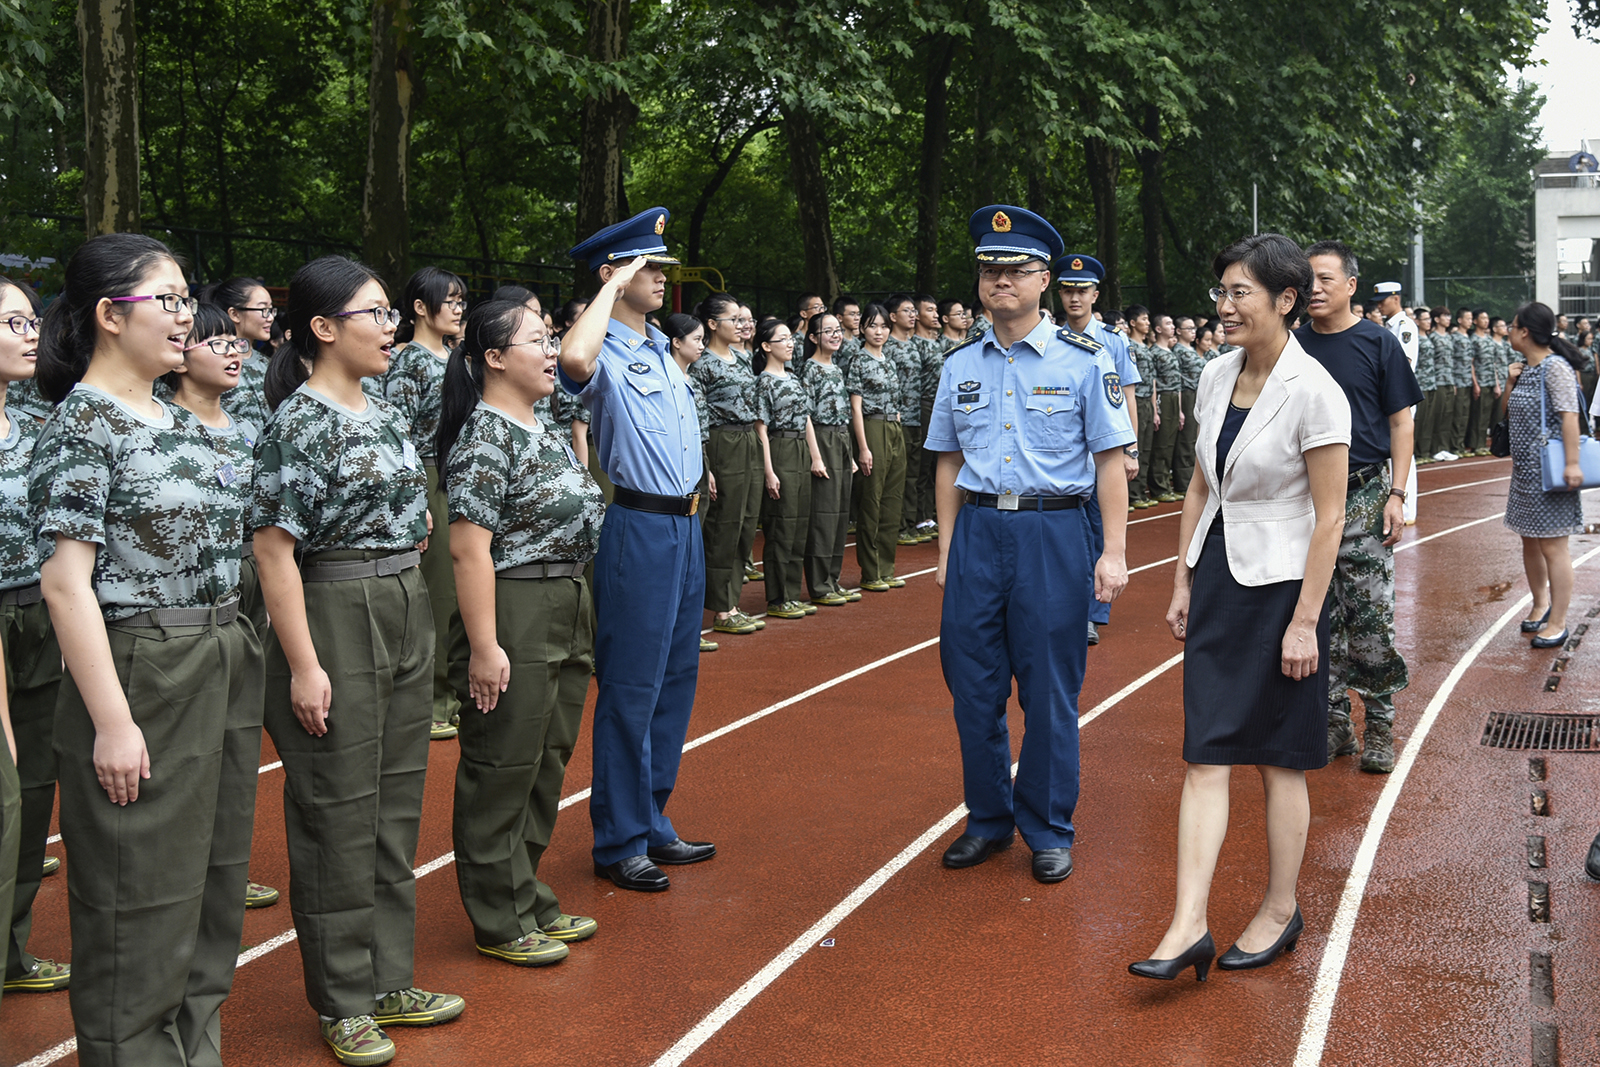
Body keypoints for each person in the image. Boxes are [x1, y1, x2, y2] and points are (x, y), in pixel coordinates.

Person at [32, 232, 265, 1066]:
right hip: (141, 665)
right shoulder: (82, 426)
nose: (184, 316)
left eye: (183, 298)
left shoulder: (179, 417)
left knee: (211, 887)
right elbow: (66, 584)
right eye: (164, 299)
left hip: (219, 655)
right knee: (139, 904)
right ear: (106, 314)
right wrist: (113, 722)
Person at [253, 255, 463, 1065]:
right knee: (336, 808)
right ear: (323, 328)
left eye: (388, 312)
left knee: (393, 803)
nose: (388, 328)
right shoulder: (298, 422)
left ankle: (387, 977)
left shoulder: (379, 409)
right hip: (334, 609)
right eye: (374, 314)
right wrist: (305, 666)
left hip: (403, 600)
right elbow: (274, 553)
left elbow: (411, 517)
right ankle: (343, 996)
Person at [1131, 232, 1350, 983]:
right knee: (1205, 752)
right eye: (1220, 291)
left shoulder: (1316, 389)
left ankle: (1281, 906)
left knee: (1279, 759)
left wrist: (1303, 620)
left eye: (1238, 293)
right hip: (1222, 577)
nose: (1222, 306)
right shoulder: (1215, 374)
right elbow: (1202, 485)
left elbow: (1330, 517)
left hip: (1286, 590)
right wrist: (1184, 578)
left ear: (1285, 300)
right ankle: (1187, 922)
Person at [929, 205, 1132, 885]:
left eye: (1015, 269)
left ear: (1045, 278)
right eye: (990, 268)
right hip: (979, 533)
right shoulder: (959, 363)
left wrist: (1114, 552)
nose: (1000, 280)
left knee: (1048, 689)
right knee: (973, 686)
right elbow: (948, 461)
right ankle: (987, 818)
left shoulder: (1084, 362)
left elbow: (1109, 461)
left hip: (1052, 530)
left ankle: (1046, 824)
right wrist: (948, 551)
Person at [434, 298, 604, 969]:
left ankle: (525, 889)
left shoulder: (542, 425)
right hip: (514, 602)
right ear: (495, 357)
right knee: (503, 762)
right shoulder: (485, 437)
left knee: (547, 756)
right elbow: (469, 550)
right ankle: (497, 914)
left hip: (566, 595)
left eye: (551, 335)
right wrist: (484, 645)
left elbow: (582, 356)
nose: (552, 349)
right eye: (538, 338)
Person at [559, 207, 716, 894]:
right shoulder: (605, 352)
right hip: (640, 528)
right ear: (613, 275)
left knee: (676, 679)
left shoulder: (660, 348)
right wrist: (609, 286)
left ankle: (651, 815)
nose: (660, 275)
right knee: (630, 686)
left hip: (685, 527)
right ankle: (618, 837)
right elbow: (571, 362)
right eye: (645, 266)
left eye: (657, 264)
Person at [165, 301, 285, 916]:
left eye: (235, 343)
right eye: (215, 344)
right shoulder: (160, 430)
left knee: (239, 745)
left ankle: (224, 873)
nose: (234, 352)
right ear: (179, 355)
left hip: (249, 588)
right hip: (188, 607)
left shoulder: (247, 427)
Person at [1299, 241, 1422, 774]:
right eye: (1308, 281)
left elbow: (1401, 422)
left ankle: (1380, 724)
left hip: (1366, 492)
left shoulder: (1378, 343)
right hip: (1304, 501)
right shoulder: (1290, 347)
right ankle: (1333, 725)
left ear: (1351, 285)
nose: (1315, 289)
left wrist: (1397, 494)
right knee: (1314, 617)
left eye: (1326, 279)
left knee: (1369, 617)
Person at [0, 276, 69, 997]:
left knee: (33, 786)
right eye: (12, 321)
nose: (30, 333)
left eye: (31, 319)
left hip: (38, 616)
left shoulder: (33, 423)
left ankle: (12, 950)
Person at [368, 265, 468, 741]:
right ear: (420, 308)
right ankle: (431, 700)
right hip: (427, 473)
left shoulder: (456, 357)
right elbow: (399, 434)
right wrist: (414, 495)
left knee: (461, 588)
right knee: (439, 590)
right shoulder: (410, 364)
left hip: (458, 473)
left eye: (460, 300)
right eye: (448, 300)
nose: (458, 307)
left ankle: (453, 692)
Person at [1056, 254, 1141, 646]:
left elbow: (1126, 396)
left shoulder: (1113, 340)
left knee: (1098, 531)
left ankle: (1092, 612)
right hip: (1066, 454)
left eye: (1082, 291)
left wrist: (1131, 450)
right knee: (1066, 534)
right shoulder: (1050, 338)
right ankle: (1067, 604)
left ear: (1095, 294)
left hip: (1102, 454)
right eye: (1068, 290)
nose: (1075, 298)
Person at [1503, 302, 1586, 649]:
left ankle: (1559, 621)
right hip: (1524, 472)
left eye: (1512, 325)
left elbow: (1569, 417)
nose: (1507, 329)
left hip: (1550, 472)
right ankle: (1539, 603)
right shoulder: (1526, 369)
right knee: (1529, 540)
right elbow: (1507, 413)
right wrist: (1510, 381)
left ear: (1525, 332)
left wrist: (1572, 464)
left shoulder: (1555, 368)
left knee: (1554, 546)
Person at [691, 292, 764, 636]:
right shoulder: (702, 364)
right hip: (723, 442)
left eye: (742, 319)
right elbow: (699, 419)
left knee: (746, 521)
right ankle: (721, 607)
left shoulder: (742, 358)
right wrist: (706, 465)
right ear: (711, 324)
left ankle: (731, 599)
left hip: (748, 438)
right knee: (724, 525)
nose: (741, 325)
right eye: (733, 319)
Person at [752, 319, 823, 618]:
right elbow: (761, 428)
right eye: (782, 339)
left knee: (798, 524)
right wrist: (769, 470)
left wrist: (816, 456)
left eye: (791, 339)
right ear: (767, 346)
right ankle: (779, 597)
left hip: (800, 450)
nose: (790, 344)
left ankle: (792, 593)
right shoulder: (764, 381)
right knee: (781, 525)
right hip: (779, 448)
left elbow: (806, 419)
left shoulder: (794, 378)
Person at [660, 312, 721, 654]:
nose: (701, 346)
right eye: (696, 339)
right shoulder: (664, 380)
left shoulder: (691, 380)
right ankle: (673, 631)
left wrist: (705, 469)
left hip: (697, 462)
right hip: (674, 471)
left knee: (693, 549)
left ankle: (687, 628)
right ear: (675, 342)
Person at [848, 302, 907, 592]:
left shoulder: (890, 360)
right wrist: (863, 448)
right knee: (871, 500)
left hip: (894, 427)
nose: (879, 331)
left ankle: (886, 566)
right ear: (862, 329)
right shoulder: (858, 361)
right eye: (872, 325)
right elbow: (855, 409)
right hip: (871, 427)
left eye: (884, 326)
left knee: (892, 500)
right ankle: (870, 571)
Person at [801, 313, 858, 606]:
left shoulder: (837, 368)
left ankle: (832, 580)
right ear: (813, 337)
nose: (836, 335)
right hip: (822, 440)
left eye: (838, 330)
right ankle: (819, 584)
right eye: (828, 331)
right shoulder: (809, 370)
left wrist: (849, 455)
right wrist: (816, 456)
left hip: (840, 439)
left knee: (839, 515)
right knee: (823, 516)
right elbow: (806, 415)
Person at [199, 276, 276, 433]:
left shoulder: (267, 364)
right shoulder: (213, 364)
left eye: (271, 310)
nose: (270, 317)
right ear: (234, 314)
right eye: (263, 309)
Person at [1374, 282, 1419, 525]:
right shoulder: (1389, 326)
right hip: (1388, 396)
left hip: (1399, 395)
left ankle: (1408, 507)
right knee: (1393, 453)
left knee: (1402, 453)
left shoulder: (1404, 326)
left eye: (1383, 299)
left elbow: (1404, 362)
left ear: (1396, 298)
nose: (1379, 305)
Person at [1148, 314, 1183, 502]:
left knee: (1170, 443)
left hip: (1173, 398)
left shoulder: (1170, 352)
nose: (1172, 327)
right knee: (1161, 444)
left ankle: (1164, 485)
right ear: (1158, 329)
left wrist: (1180, 409)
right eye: (1168, 323)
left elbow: (1177, 383)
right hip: (1162, 397)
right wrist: (1155, 409)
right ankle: (1158, 487)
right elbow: (1153, 381)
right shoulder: (1154, 353)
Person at [1125, 305, 1157, 508]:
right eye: (1144, 319)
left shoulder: (1146, 347)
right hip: (1134, 399)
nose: (1147, 323)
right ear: (1132, 323)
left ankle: (1139, 492)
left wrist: (1155, 407)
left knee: (1145, 448)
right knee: (1133, 448)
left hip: (1147, 400)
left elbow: (1152, 378)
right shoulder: (1129, 346)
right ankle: (1131, 494)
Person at [1173, 316, 1204, 494]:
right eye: (1188, 328)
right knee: (1186, 440)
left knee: (1194, 438)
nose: (1193, 332)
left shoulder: (1192, 350)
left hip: (1197, 393)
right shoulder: (1178, 351)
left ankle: (1190, 479)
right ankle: (1183, 482)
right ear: (1179, 331)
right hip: (1186, 394)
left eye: (1194, 328)